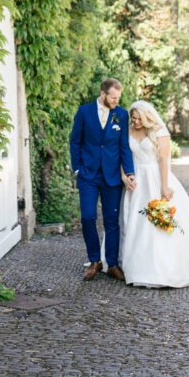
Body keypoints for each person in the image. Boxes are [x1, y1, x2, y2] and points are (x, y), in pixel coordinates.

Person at [118, 100, 189, 288]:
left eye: (137, 119)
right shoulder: (128, 130)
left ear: (146, 117)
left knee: (156, 222)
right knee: (135, 221)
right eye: (132, 118)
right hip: (135, 180)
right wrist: (125, 177)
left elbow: (163, 160)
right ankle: (135, 265)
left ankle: (161, 267)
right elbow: (123, 155)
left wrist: (164, 186)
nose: (134, 122)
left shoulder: (159, 131)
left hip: (155, 178)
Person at [70, 78, 136, 281]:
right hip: (88, 175)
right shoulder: (84, 111)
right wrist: (78, 169)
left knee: (111, 221)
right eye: (113, 97)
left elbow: (124, 145)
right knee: (88, 217)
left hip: (112, 176)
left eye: (118, 98)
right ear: (103, 93)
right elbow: (75, 141)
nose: (116, 101)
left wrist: (130, 173)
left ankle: (112, 264)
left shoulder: (121, 115)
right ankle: (94, 261)